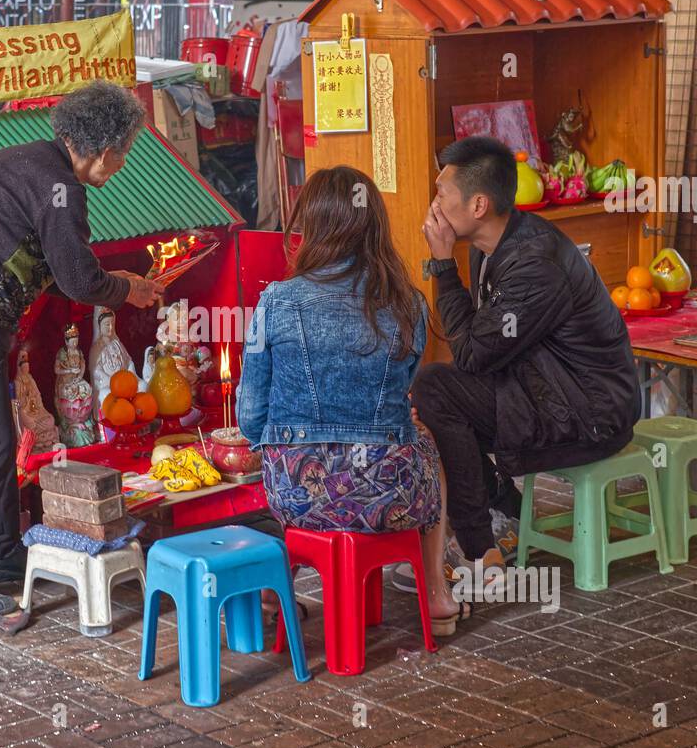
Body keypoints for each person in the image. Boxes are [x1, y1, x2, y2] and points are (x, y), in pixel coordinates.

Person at [0, 81, 161, 617]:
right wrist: (128, 288)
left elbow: (64, 268)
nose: (122, 165)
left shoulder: (39, 167)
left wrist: (103, 276)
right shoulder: (59, 185)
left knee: (1, 434)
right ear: (108, 149)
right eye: (125, 153)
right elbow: (79, 281)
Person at [237, 166, 466, 635]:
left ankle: (277, 581)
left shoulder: (276, 302)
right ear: (374, 226)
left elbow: (250, 419)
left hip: (298, 497)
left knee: (290, 453)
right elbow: (402, 393)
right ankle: (437, 597)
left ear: (314, 228)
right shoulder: (409, 303)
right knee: (424, 439)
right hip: (389, 494)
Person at [412, 136, 638, 578]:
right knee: (440, 396)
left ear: (478, 205)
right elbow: (482, 346)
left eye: (442, 194)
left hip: (589, 412)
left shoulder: (535, 262)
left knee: (437, 389)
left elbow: (474, 354)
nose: (434, 205)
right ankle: (506, 511)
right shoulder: (490, 246)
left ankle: (481, 549)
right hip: (545, 389)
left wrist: (442, 264)